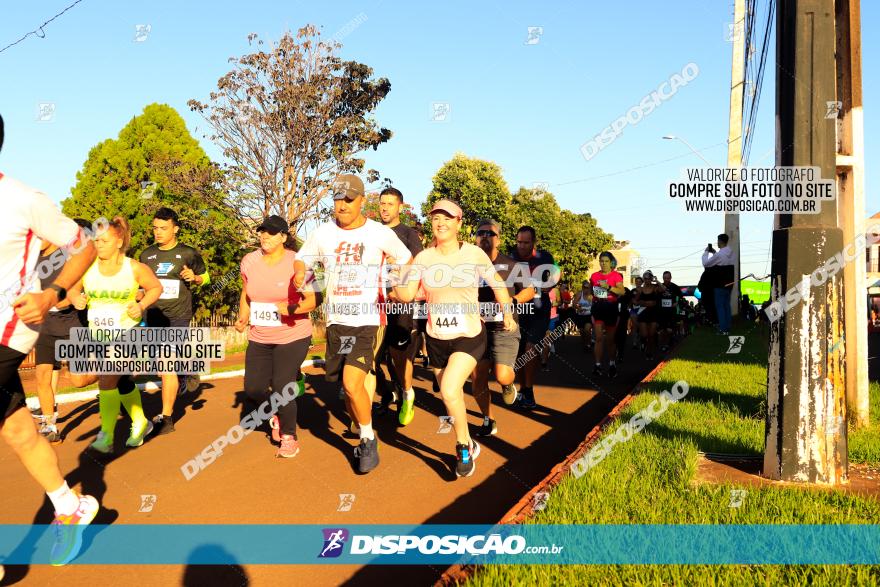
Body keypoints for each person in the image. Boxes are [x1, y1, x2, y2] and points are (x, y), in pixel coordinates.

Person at [0, 113, 101, 566]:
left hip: (9, 325)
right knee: (19, 429)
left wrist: (53, 293)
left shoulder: (24, 200)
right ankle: (70, 507)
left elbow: (85, 244)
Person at [294, 174, 413, 474]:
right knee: (346, 390)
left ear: (362, 201)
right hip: (336, 322)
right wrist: (300, 275)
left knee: (352, 382)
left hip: (369, 319)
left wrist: (395, 283)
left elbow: (406, 258)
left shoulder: (378, 233)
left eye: (349, 199)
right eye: (338, 199)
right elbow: (302, 259)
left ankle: (368, 439)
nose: (343, 205)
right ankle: (365, 425)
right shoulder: (322, 233)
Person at [396, 201, 516, 477]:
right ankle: (469, 442)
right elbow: (408, 294)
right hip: (437, 336)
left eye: (447, 218)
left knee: (450, 388)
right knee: (450, 398)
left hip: (469, 334)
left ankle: (462, 446)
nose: (441, 222)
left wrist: (507, 313)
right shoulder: (424, 258)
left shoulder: (473, 253)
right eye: (436, 218)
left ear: (459, 223)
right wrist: (396, 284)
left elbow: (497, 283)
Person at [70, 216, 163, 454]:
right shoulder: (87, 266)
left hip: (129, 333)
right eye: (96, 240)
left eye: (104, 240)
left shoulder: (134, 268)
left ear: (118, 242)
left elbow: (155, 288)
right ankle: (141, 421)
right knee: (121, 381)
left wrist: (141, 307)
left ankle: (106, 436)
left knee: (107, 379)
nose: (99, 244)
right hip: (99, 334)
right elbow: (71, 287)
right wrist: (75, 298)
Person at [234, 215, 317, 458]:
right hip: (260, 334)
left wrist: (292, 308)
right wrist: (243, 316)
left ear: (283, 237)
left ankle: (289, 437)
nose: (264, 236)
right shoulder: (249, 261)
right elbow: (246, 293)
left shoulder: (298, 262)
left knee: (282, 385)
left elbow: (313, 299)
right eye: (262, 232)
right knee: (253, 388)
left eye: (271, 233)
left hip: (293, 334)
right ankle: (275, 413)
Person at [139, 207, 210, 435]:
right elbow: (142, 287)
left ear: (175, 229)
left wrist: (196, 278)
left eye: (163, 228)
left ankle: (167, 417)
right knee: (162, 367)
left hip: (178, 316)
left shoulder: (188, 253)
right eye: (155, 228)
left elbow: (206, 278)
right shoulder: (146, 255)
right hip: (154, 316)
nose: (158, 232)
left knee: (166, 363)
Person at [32, 219, 97, 442]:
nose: (37, 240)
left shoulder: (67, 258)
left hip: (72, 326)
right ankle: (50, 425)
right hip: (45, 327)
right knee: (42, 375)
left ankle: (110, 372)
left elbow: (72, 291)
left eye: (40, 235)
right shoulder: (32, 261)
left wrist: (73, 298)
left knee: (77, 381)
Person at [471, 219, 532, 436]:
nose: (486, 236)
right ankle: (489, 419)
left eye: (491, 233)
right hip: (476, 329)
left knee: (502, 375)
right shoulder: (467, 265)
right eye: (481, 233)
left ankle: (508, 385)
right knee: (477, 379)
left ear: (499, 239)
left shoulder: (512, 265)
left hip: (504, 327)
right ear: (475, 237)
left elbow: (529, 291)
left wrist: (512, 303)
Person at [377, 187, 423, 426]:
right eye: (382, 203)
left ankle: (407, 392)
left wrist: (399, 266)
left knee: (398, 354)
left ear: (400, 207)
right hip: (374, 301)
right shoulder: (371, 232)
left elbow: (419, 261)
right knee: (371, 355)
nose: (384, 208)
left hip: (400, 302)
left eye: (390, 204)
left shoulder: (408, 233)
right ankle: (387, 393)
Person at [510, 226, 556, 409]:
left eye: (526, 243)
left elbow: (555, 274)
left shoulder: (545, 257)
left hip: (539, 311)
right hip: (519, 312)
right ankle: (523, 389)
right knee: (519, 354)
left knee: (530, 349)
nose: (521, 246)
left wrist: (550, 284)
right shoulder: (511, 257)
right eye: (519, 242)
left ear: (533, 243)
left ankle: (528, 390)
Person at [588, 252, 625, 377]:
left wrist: (608, 287)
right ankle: (597, 365)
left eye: (606, 261)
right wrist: (590, 297)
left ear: (611, 262)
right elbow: (591, 292)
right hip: (598, 307)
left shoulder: (615, 276)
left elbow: (622, 291)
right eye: (601, 261)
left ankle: (612, 364)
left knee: (610, 340)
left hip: (611, 307)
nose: (603, 263)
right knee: (598, 338)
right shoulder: (594, 276)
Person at [702, 233, 735, 335]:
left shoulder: (719, 254)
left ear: (720, 241)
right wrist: (715, 253)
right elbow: (721, 260)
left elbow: (706, 263)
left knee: (720, 306)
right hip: (730, 282)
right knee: (726, 306)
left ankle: (723, 329)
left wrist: (706, 252)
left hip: (720, 283)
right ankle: (727, 327)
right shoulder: (731, 252)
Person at [634, 271, 663, 361]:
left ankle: (649, 352)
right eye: (645, 278)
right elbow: (635, 301)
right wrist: (642, 303)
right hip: (643, 312)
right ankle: (642, 340)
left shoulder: (655, 287)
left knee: (651, 335)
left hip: (653, 312)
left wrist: (657, 281)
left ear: (651, 279)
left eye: (648, 278)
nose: (646, 280)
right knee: (645, 335)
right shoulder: (640, 289)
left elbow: (663, 289)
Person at [658, 271, 682, 352]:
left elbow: (680, 297)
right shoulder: (660, 287)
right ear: (663, 278)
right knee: (662, 330)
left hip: (671, 311)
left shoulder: (675, 287)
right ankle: (663, 344)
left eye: (668, 278)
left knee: (669, 330)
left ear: (671, 278)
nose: (666, 279)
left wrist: (676, 302)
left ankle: (668, 343)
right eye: (665, 278)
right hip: (661, 312)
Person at [572, 280, 593, 352]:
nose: (586, 289)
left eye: (588, 287)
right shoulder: (579, 294)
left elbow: (596, 304)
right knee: (582, 332)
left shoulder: (591, 295)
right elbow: (574, 304)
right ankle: (585, 344)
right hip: (580, 316)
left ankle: (588, 344)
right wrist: (578, 308)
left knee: (587, 330)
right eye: (584, 287)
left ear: (590, 288)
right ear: (582, 287)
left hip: (589, 316)